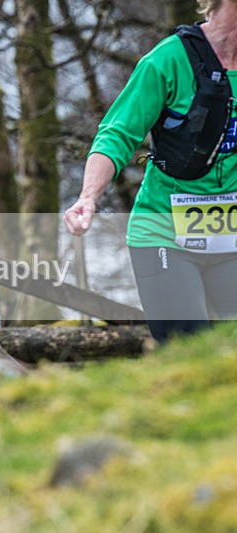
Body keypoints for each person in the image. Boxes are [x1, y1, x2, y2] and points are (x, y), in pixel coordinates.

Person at [64, 0, 237, 343]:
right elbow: (117, 133)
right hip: (163, 233)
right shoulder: (169, 60)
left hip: (230, 236)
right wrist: (88, 196)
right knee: (189, 349)